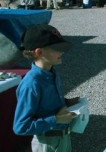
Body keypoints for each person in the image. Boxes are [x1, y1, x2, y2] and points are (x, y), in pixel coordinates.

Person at [13, 24, 79, 152]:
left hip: (63, 138)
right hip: (46, 144)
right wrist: (56, 119)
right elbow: (20, 126)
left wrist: (65, 102)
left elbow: (43, 104)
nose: (62, 52)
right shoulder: (31, 84)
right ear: (39, 52)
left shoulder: (51, 72)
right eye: (57, 48)